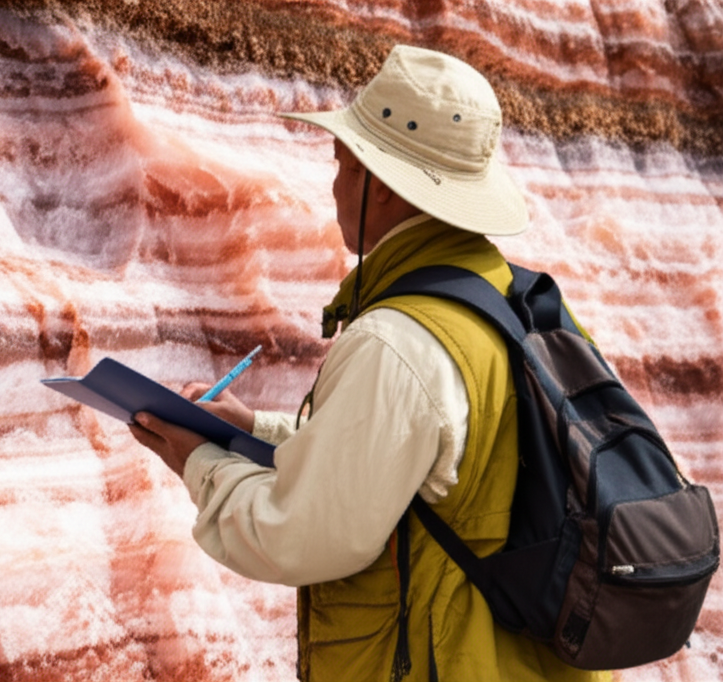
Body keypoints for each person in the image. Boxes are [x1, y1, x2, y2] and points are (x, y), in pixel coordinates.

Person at [129, 45, 610, 682]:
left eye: (341, 163)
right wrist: (250, 431)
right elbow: (427, 466)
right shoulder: (515, 301)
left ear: (378, 184)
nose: (334, 184)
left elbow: (297, 532)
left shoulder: (397, 340)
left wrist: (199, 461)